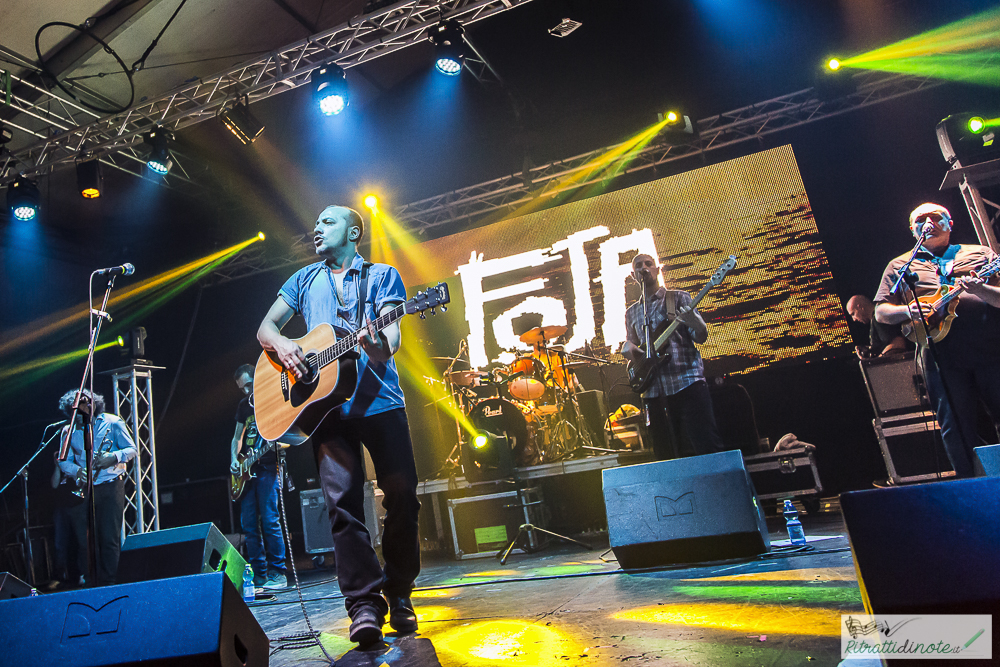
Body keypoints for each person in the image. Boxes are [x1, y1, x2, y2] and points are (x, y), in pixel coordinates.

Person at [257, 205, 420, 646]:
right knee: (342, 508)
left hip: (381, 402)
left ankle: (399, 590)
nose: (315, 227)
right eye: (315, 222)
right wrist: (285, 344)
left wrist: (375, 343)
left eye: (327, 222)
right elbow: (265, 329)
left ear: (354, 231)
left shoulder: (383, 275)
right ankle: (364, 605)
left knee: (403, 495)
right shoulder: (303, 279)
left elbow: (391, 343)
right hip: (327, 411)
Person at [874, 202, 1000, 478]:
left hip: (991, 348)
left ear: (949, 222)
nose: (927, 222)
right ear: (912, 229)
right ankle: (971, 487)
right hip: (941, 355)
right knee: (955, 424)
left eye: (935, 217)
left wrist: (981, 290)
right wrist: (907, 311)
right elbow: (881, 311)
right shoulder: (900, 265)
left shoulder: (979, 253)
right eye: (920, 219)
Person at [621, 253, 725, 460]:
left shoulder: (678, 298)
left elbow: (700, 336)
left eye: (648, 264)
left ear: (657, 270)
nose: (644, 268)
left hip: (686, 382)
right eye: (639, 266)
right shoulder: (631, 313)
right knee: (664, 453)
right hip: (654, 392)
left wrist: (696, 322)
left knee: (706, 445)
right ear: (634, 276)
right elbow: (635, 349)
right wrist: (628, 348)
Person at [56, 388, 136, 586]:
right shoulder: (68, 430)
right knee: (85, 542)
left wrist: (113, 457)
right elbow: (63, 460)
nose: (86, 406)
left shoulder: (113, 422)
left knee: (109, 538)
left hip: (110, 487)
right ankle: (92, 583)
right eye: (81, 403)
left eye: (89, 401)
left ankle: (111, 583)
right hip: (84, 489)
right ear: (72, 408)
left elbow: (132, 449)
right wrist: (76, 471)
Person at [231, 363, 287, 591]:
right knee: (249, 525)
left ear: (257, 378)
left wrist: (272, 449)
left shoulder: (273, 398)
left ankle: (278, 573)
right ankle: (259, 576)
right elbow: (237, 437)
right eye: (241, 388)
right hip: (247, 471)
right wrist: (234, 459)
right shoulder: (244, 406)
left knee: (270, 519)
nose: (246, 391)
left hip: (267, 467)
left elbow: (287, 437)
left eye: (248, 385)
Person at [49, 451, 87, 588]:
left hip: (77, 505)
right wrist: (58, 466)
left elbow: (82, 483)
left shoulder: (76, 464)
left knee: (80, 542)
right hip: (61, 507)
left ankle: (82, 574)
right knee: (60, 543)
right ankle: (58, 577)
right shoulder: (60, 468)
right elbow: (54, 485)